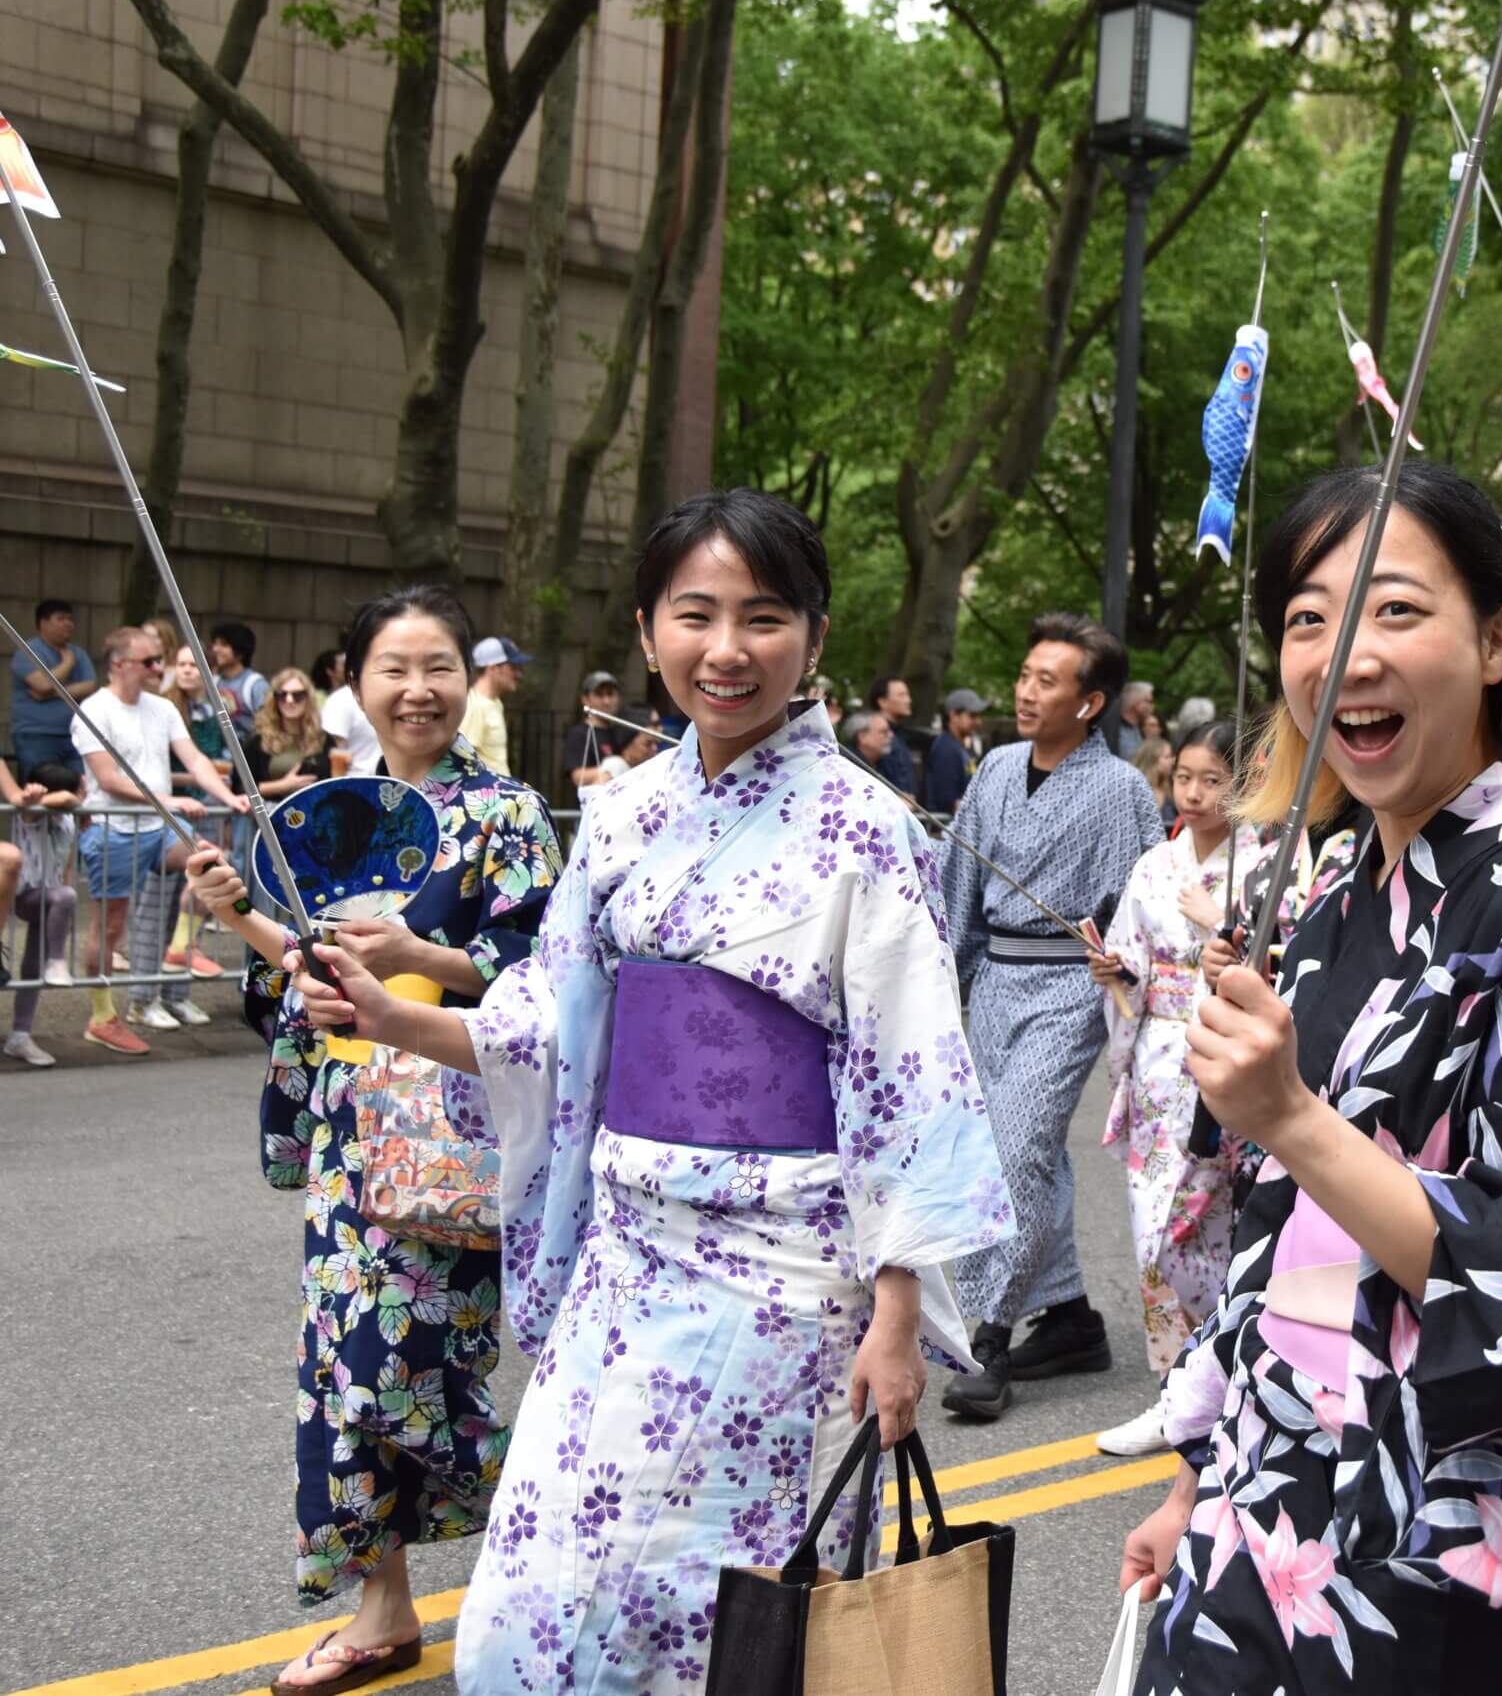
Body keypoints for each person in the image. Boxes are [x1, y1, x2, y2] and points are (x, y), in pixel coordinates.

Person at [277, 490, 1014, 1695]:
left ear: (815, 638)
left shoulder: (870, 830)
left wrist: (896, 1322)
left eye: (763, 618)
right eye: (695, 615)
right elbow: (550, 1029)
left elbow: (908, 1078)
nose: (727, 650)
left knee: (737, 1618)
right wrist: (390, 1015)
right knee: (530, 1611)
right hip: (627, 1264)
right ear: (647, 628)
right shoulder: (623, 816)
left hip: (789, 1283)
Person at [1116, 462, 1502, 1693]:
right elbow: (1280, 1235)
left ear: (1495, 641)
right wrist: (1196, 1482)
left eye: (1395, 609)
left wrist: (1290, 1118)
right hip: (1263, 1494)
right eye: (1309, 619)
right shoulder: (1338, 890)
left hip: (1420, 1519)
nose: (1347, 654)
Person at [181, 584, 562, 1685]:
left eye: (439, 666)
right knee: (343, 1372)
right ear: (355, 681)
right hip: (351, 1132)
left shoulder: (505, 814)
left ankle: (564, 1538)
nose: (418, 689)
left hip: (455, 1128)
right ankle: (384, 1606)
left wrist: (420, 956)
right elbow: (311, 970)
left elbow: (550, 978)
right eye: (393, 668)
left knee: (418, 1370)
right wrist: (237, 913)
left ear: (468, 680)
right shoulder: (331, 812)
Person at [939, 612, 1163, 1420]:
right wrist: (945, 975)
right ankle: (1071, 1317)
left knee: (1018, 1147)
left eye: (1046, 681)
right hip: (996, 981)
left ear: (1089, 702)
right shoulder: (997, 766)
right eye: (1025, 675)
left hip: (1071, 984)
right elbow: (957, 881)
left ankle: (991, 1333)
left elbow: (1150, 891)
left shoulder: (1121, 788)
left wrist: (1129, 963)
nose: (1025, 692)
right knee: (1022, 1152)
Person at [1088, 717, 1252, 1456]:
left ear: (1243, 784)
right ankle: (1180, 1389)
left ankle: (1224, 1380)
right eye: (1184, 777)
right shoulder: (1157, 862)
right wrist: (1117, 973)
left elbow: (1291, 958)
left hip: (1226, 1052)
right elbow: (1135, 962)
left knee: (1213, 1229)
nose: (1193, 792)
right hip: (1159, 1059)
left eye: (1212, 780)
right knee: (1152, 1228)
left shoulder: (1269, 862)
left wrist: (1229, 926)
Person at [74, 626, 246, 1053]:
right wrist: (167, 800)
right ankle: (101, 1017)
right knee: (109, 926)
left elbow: (196, 760)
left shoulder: (163, 708)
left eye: (158, 660)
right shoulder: (93, 710)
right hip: (113, 828)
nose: (158, 668)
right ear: (119, 664)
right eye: (149, 661)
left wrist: (229, 798)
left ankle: (179, 950)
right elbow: (108, 779)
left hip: (158, 827)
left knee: (213, 863)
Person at [156, 643, 234, 991]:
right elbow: (159, 771)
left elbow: (217, 758)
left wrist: (221, 784)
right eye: (182, 664)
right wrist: (198, 780)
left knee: (200, 892)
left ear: (210, 671)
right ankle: (149, 999)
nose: (187, 670)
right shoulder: (165, 706)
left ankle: (178, 994)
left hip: (208, 806)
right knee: (161, 908)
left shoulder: (218, 708)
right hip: (172, 809)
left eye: (194, 664)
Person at [4, 757, 83, 1068]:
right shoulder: (32, 813)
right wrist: (40, 797)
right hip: (23, 894)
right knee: (65, 895)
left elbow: (67, 865)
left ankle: (20, 1036)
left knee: (32, 967)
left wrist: (66, 913)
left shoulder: (69, 819)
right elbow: (56, 801)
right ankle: (58, 962)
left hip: (51, 900)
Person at [8, 598, 97, 773]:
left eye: (70, 619)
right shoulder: (27, 651)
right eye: (61, 619)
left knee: (81, 783)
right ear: (43, 623)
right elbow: (43, 684)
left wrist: (49, 694)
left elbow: (90, 686)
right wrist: (68, 663)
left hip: (75, 733)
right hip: (36, 735)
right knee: (43, 783)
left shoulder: (78, 652)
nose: (68, 624)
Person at [242, 667, 334, 800]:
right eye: (282, 695)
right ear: (274, 700)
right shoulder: (259, 740)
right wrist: (282, 786)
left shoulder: (324, 739)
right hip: (272, 811)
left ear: (308, 699)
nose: (289, 700)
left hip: (315, 810)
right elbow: (240, 787)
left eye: (298, 695)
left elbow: (332, 783)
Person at [458, 636, 525, 775]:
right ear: (493, 668)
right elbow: (464, 760)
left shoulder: (495, 702)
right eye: (513, 667)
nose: (519, 674)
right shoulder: (474, 704)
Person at [561, 669, 634, 789]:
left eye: (610, 694)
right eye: (599, 695)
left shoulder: (621, 730)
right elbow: (577, 776)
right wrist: (614, 766)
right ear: (586, 699)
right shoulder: (579, 733)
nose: (606, 701)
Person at [922, 686, 987, 813]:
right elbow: (947, 801)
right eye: (972, 716)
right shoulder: (946, 749)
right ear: (953, 716)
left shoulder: (962, 747)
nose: (978, 722)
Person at [321, 654, 381, 776]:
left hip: (394, 782)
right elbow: (337, 757)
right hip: (356, 781)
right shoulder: (341, 700)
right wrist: (339, 786)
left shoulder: (392, 697)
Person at [207, 620, 271, 723]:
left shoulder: (256, 685)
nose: (215, 649)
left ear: (240, 652)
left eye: (224, 645)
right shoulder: (214, 681)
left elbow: (268, 722)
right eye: (215, 644)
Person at [865, 673, 917, 792]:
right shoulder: (875, 738)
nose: (908, 700)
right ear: (882, 702)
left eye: (907, 695)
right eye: (901, 695)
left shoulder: (899, 734)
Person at [1135, 735, 1176, 828]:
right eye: (1167, 757)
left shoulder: (1169, 788)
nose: (1172, 761)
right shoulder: (1139, 790)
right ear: (1153, 761)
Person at [1116, 678, 1157, 761]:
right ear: (1136, 703)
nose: (1152, 706)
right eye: (1150, 701)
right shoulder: (1116, 730)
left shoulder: (1136, 728)